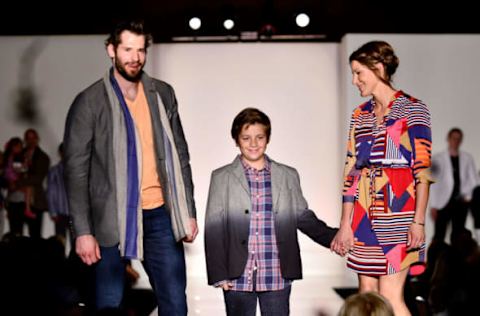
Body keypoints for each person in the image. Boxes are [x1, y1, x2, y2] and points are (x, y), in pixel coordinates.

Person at [63, 19, 198, 315]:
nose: (134, 57)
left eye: (140, 50)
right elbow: (75, 172)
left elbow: (181, 155)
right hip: (110, 219)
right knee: (109, 304)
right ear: (111, 50)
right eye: (127, 49)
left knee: (175, 304)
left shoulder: (163, 94)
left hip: (160, 214)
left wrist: (187, 211)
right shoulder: (89, 102)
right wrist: (82, 231)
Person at [330, 41, 433, 316]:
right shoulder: (359, 115)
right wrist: (345, 224)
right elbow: (351, 171)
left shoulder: (413, 109)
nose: (354, 81)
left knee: (390, 297)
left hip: (399, 215)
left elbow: (422, 172)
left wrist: (419, 222)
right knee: (366, 297)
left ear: (378, 68)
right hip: (363, 218)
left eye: (358, 73)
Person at [204, 107, 337, 316]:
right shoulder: (222, 177)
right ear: (236, 140)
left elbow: (302, 217)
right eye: (246, 138)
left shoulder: (287, 175)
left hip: (276, 270)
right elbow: (214, 228)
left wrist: (334, 238)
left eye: (259, 137)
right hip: (237, 275)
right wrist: (219, 274)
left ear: (268, 138)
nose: (253, 144)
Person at [429, 128, 479, 242]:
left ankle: (456, 260)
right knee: (439, 236)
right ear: (448, 139)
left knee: (458, 236)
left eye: (458, 139)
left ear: (461, 141)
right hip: (443, 203)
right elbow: (433, 184)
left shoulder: (468, 158)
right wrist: (434, 205)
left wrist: (468, 197)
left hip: (461, 203)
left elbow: (474, 181)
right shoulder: (437, 159)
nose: (455, 141)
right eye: (453, 138)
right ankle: (436, 259)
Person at [16, 128, 51, 238]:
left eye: (33, 138)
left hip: (35, 201)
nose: (31, 141)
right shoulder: (18, 154)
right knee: (16, 234)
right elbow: (11, 172)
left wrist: (19, 182)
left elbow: (38, 178)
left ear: (37, 139)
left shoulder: (43, 157)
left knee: (35, 235)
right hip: (17, 200)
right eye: (28, 138)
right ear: (25, 140)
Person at [47, 142, 70, 243]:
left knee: (77, 244)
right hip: (60, 213)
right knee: (60, 242)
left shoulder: (78, 170)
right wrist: (53, 212)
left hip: (76, 214)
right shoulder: (54, 171)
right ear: (60, 153)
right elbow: (51, 193)